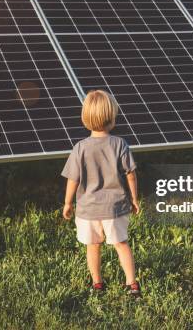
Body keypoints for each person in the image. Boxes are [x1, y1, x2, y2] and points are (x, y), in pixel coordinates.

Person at [61, 90, 141, 297]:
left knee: (93, 246)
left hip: (88, 209)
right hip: (115, 207)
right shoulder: (120, 144)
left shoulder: (80, 148)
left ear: (85, 118)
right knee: (121, 244)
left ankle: (98, 283)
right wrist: (134, 198)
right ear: (112, 118)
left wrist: (67, 203)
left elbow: (73, 179)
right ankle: (132, 284)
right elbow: (130, 175)